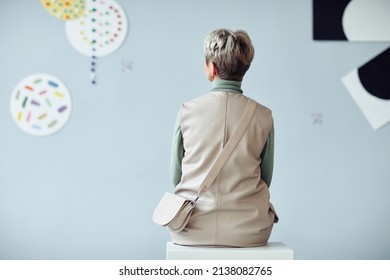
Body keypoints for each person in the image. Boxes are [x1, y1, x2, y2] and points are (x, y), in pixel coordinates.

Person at [170, 28, 278, 247]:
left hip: (190, 226)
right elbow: (266, 177)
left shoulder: (187, 110)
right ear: (244, 68)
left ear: (212, 68)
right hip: (250, 229)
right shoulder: (264, 115)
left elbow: (176, 175)